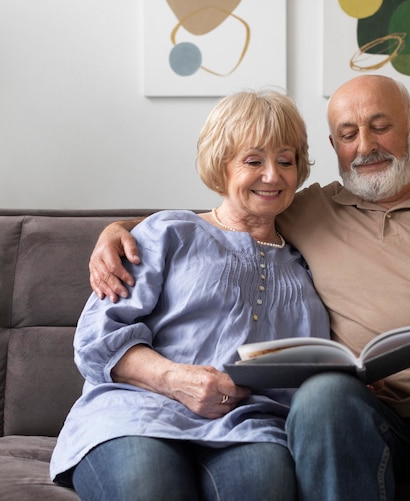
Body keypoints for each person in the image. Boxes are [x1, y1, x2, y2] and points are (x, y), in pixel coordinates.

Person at [88, 75, 410, 500]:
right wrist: (119, 231)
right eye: (348, 134)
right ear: (333, 146)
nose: (365, 146)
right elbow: (224, 216)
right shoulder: (308, 208)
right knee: (321, 394)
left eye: (380, 127)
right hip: (367, 414)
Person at [50, 89, 330, 501]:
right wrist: (174, 378)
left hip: (249, 426)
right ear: (221, 165)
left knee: (265, 487)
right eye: (253, 160)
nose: (273, 175)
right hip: (137, 412)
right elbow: (96, 341)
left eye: (285, 161)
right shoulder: (168, 233)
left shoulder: (307, 264)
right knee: (150, 488)